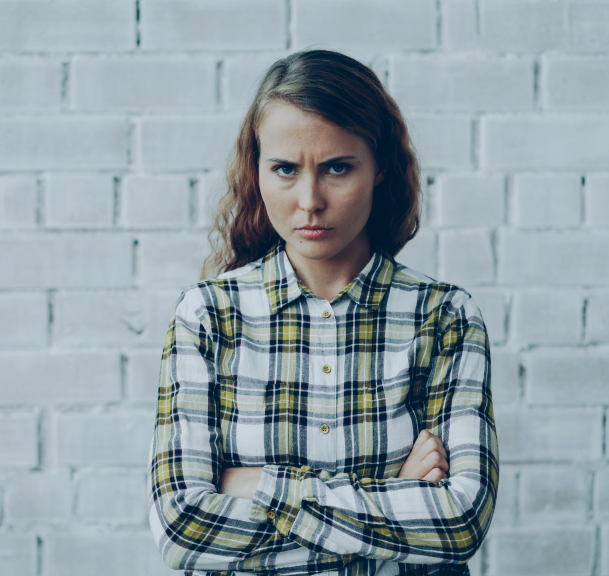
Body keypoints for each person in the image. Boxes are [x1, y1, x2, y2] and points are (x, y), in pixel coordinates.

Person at [147, 49, 498, 576]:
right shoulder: (208, 316)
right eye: (285, 169)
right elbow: (183, 531)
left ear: (379, 167)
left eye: (337, 168)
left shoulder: (444, 316)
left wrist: (260, 487)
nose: (310, 200)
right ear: (257, 170)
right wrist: (396, 494)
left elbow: (459, 525)